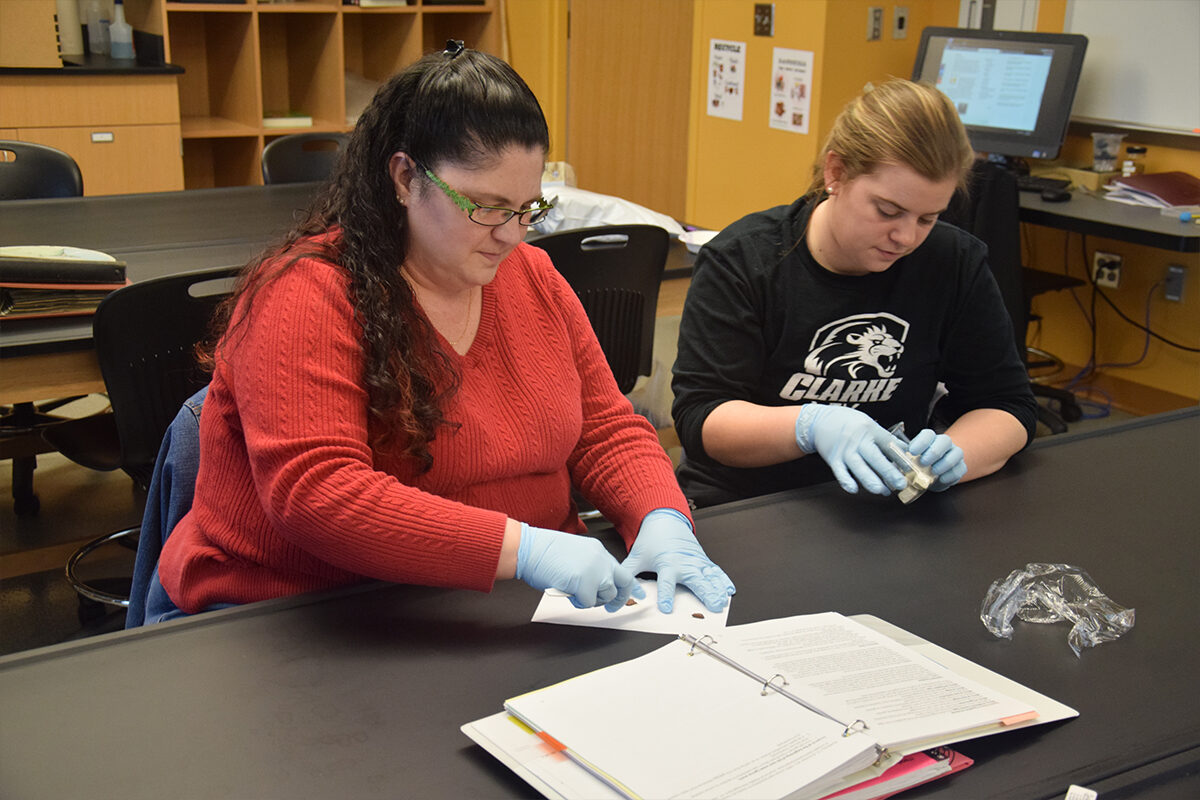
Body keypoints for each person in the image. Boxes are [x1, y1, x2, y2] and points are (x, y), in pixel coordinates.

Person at [145, 42, 734, 624]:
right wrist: (522, 550)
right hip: (325, 613)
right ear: (404, 177)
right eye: (485, 205)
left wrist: (660, 515)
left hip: (499, 608)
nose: (511, 234)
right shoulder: (305, 295)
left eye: (528, 207)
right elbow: (321, 494)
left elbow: (604, 428)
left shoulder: (533, 278)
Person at [671, 79, 1036, 508]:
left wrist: (954, 456)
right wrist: (810, 425)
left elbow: (1007, 404)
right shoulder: (743, 260)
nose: (905, 237)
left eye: (928, 218)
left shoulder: (952, 262)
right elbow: (702, 420)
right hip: (750, 502)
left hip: (882, 504)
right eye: (887, 211)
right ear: (836, 173)